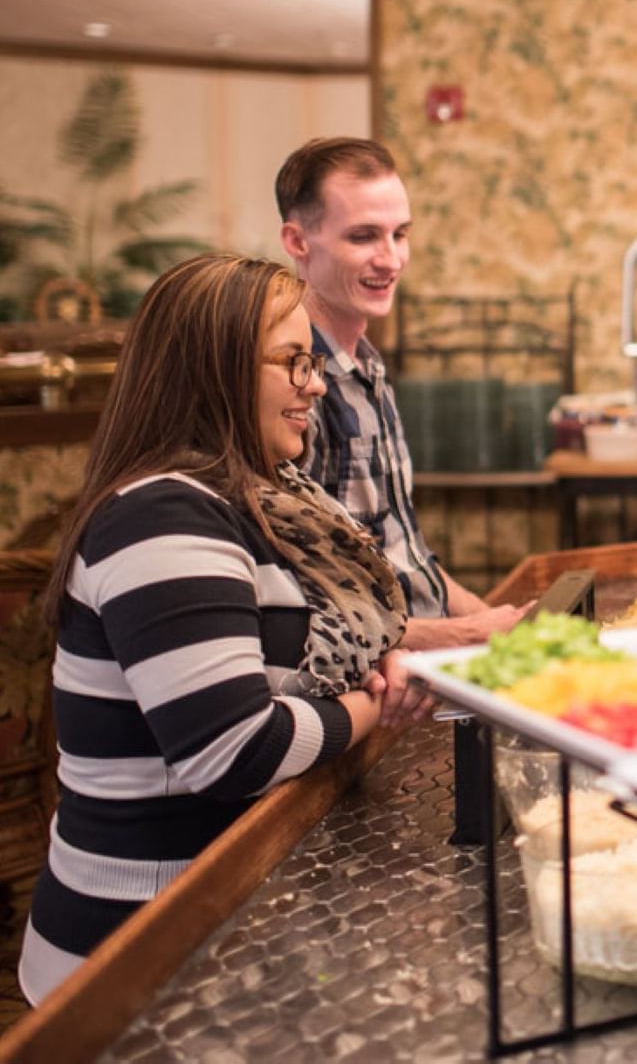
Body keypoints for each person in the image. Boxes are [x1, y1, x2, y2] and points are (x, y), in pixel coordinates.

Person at [19, 255, 420, 1004]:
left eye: (313, 361)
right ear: (216, 368)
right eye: (292, 362)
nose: (316, 383)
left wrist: (378, 669)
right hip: (138, 949)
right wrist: (373, 708)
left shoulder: (256, 496)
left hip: (224, 915)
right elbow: (233, 750)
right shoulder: (162, 516)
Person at [275, 138, 523, 647]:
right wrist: (470, 632)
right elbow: (301, 610)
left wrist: (501, 624)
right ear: (298, 241)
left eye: (400, 234)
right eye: (364, 236)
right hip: (372, 683)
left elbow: (402, 551)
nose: (391, 259)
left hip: (424, 656)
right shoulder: (296, 384)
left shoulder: (367, 362)